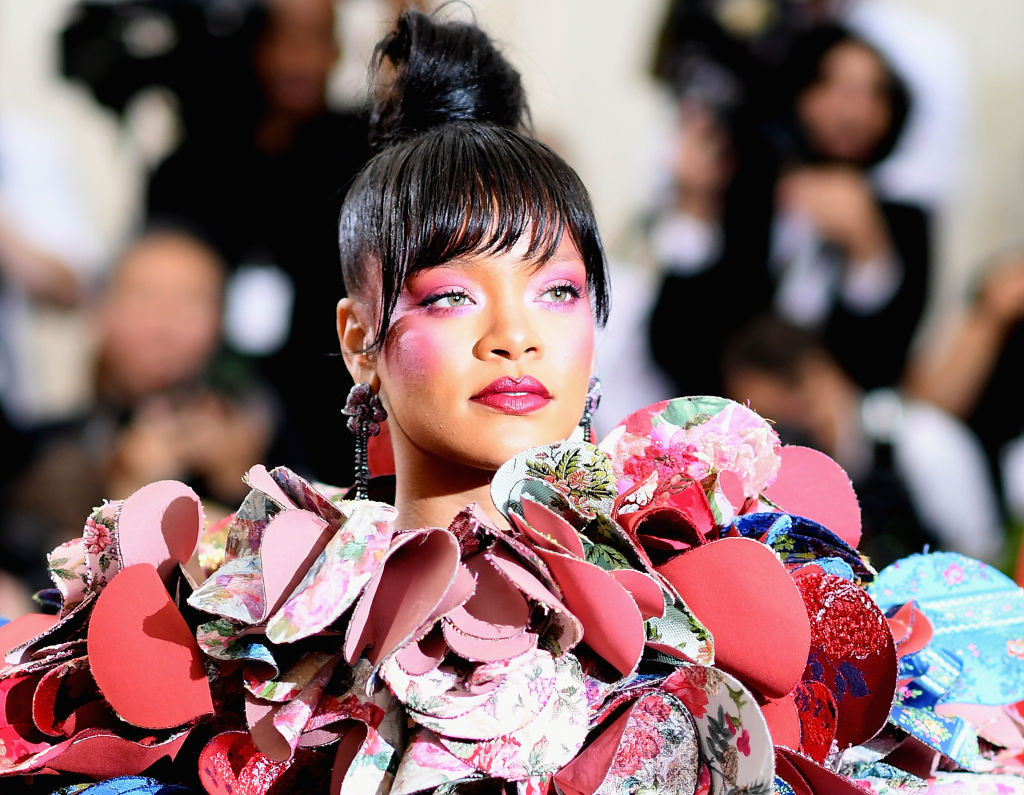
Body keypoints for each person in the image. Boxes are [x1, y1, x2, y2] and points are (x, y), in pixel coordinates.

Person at [2, 10, 1024, 795]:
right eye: (451, 294)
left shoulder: (709, 625)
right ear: (358, 340)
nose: (516, 334)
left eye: (559, 292)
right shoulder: (248, 645)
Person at [146, 0, 371, 486]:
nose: (297, 59)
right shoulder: (192, 166)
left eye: (315, 41)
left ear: (336, 51)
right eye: (282, 40)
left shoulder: (361, 157)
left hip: (328, 397)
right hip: (204, 393)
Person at [648, 24, 929, 397]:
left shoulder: (905, 222)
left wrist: (868, 253)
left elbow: (881, 366)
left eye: (874, 93)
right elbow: (674, 342)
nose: (854, 109)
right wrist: (695, 206)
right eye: (835, 86)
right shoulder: (744, 191)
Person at [722, 314, 1004, 569]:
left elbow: (983, 557)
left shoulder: (921, 441)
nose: (771, 442)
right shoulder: (783, 490)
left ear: (814, 380)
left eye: (775, 421)